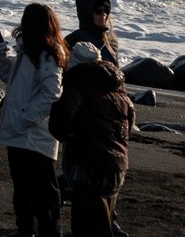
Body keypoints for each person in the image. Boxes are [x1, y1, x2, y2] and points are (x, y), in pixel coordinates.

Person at [0, 2, 68, 237]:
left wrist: (27, 118)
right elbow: (9, 76)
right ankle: (26, 230)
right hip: (19, 130)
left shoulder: (47, 54)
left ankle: (47, 232)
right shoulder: (27, 50)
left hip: (34, 134)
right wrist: (0, 54)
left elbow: (52, 93)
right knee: (23, 189)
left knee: (43, 191)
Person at [50, 41, 133, 237]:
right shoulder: (118, 88)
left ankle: (48, 228)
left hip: (87, 167)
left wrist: (69, 136)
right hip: (117, 168)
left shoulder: (77, 84)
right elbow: (129, 124)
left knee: (84, 224)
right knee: (102, 220)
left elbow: (60, 120)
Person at [64, 0, 119, 65]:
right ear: (87, 13)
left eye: (106, 10)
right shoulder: (72, 41)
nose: (103, 14)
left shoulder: (111, 39)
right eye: (98, 10)